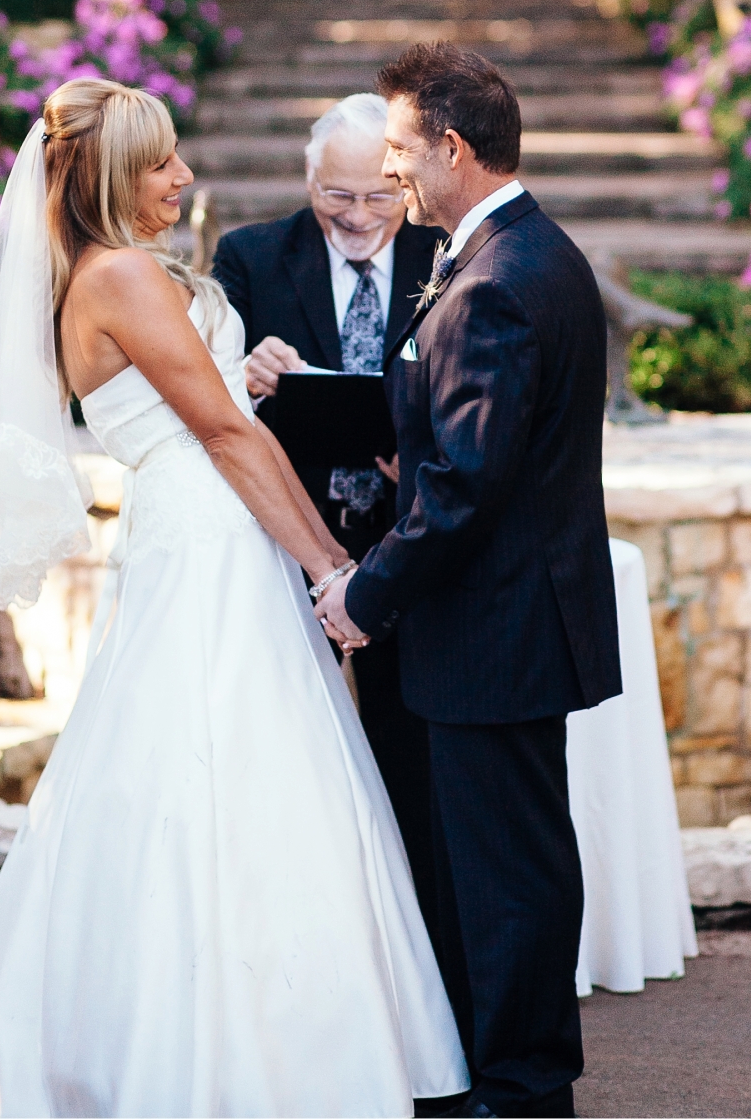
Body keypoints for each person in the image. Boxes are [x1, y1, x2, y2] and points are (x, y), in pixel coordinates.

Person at [0, 77, 468, 1118]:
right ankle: (228, 1055)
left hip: (209, 531)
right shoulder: (118, 277)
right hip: (206, 543)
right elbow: (228, 439)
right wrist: (331, 572)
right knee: (223, 773)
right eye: (162, 163)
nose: (184, 177)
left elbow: (222, 418)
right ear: (116, 176)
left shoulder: (113, 275)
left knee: (220, 770)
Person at [315, 43, 622, 1119]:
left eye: (401, 147)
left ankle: (525, 1091)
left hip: (495, 630)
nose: (392, 168)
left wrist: (364, 593)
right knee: (501, 867)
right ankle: (507, 1074)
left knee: (510, 879)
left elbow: (464, 490)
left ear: (451, 147)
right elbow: (474, 448)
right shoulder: (509, 252)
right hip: (500, 622)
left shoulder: (497, 277)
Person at [212, 95, 446, 912]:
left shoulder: (444, 255)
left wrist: (418, 456)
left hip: (407, 540)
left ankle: (413, 927)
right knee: (283, 752)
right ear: (308, 180)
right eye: (334, 197)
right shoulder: (247, 256)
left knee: (407, 755)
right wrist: (242, 370)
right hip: (287, 537)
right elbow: (205, 403)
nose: (355, 216)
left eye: (377, 197)